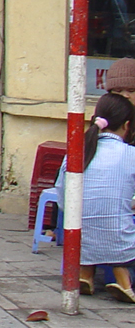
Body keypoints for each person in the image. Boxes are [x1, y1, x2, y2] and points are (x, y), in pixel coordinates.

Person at [55, 93, 135, 300]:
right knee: (120, 237)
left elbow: (62, 197)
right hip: (119, 239)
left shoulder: (76, 151)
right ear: (127, 126)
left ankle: (85, 276)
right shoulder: (130, 154)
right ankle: (124, 281)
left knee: (89, 234)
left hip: (78, 237)